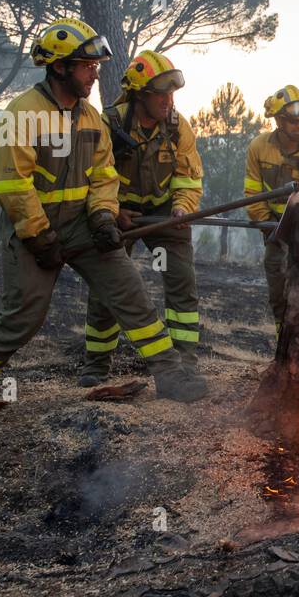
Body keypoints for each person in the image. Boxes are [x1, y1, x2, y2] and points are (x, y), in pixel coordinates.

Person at [0, 18, 206, 431]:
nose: (95, 72)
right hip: (33, 231)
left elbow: (104, 175)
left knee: (132, 295)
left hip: (84, 224)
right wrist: (39, 235)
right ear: (60, 67)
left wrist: (103, 214)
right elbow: (13, 186)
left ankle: (170, 375)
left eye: (95, 65)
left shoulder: (90, 119)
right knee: (23, 317)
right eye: (87, 66)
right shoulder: (21, 116)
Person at [78, 51, 204, 384]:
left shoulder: (178, 127)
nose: (168, 100)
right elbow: (89, 177)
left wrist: (183, 208)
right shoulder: (107, 125)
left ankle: (185, 362)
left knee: (182, 284)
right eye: (160, 93)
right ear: (139, 94)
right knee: (109, 287)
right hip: (116, 212)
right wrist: (112, 212)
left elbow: (188, 178)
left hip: (164, 211)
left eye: (171, 92)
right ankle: (96, 364)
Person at [243, 85, 299, 344]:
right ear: (278, 120)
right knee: (279, 297)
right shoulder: (259, 148)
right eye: (294, 121)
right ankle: (284, 353)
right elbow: (252, 190)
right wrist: (267, 225)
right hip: (274, 231)